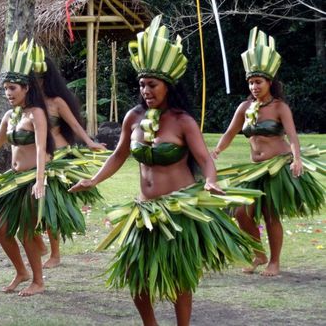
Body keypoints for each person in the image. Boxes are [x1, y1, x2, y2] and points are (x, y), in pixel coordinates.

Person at [70, 16, 261, 326]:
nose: (146, 90)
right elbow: (119, 155)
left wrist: (211, 181)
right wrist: (93, 179)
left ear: (168, 86)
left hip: (179, 210)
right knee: (136, 275)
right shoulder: (133, 118)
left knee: (179, 275)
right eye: (142, 84)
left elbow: (204, 158)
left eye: (152, 84)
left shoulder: (183, 121)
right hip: (144, 211)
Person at [212, 27, 325, 276]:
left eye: (258, 82)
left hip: (278, 167)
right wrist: (217, 150)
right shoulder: (244, 107)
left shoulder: (279, 107)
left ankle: (274, 261)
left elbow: (292, 136)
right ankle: (258, 253)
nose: (254, 86)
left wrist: (297, 159)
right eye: (251, 82)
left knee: (270, 214)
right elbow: (231, 132)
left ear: (269, 83)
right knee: (241, 212)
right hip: (255, 170)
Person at [0, 34, 54, 296]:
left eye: (13, 89)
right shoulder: (9, 115)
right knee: (0, 229)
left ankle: (38, 281)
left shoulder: (37, 114)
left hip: (32, 179)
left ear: (27, 88)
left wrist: (40, 181)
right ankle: (22, 271)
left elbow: (41, 148)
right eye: (6, 88)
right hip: (13, 179)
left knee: (27, 232)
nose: (8, 93)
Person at [32, 49, 107, 268]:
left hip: (58, 161)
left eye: (39, 79)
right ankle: (40, 245)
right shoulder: (28, 107)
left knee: (50, 206)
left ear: (47, 78)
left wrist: (90, 142)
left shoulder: (56, 102)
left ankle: (55, 254)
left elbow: (75, 125)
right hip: (37, 162)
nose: (36, 83)